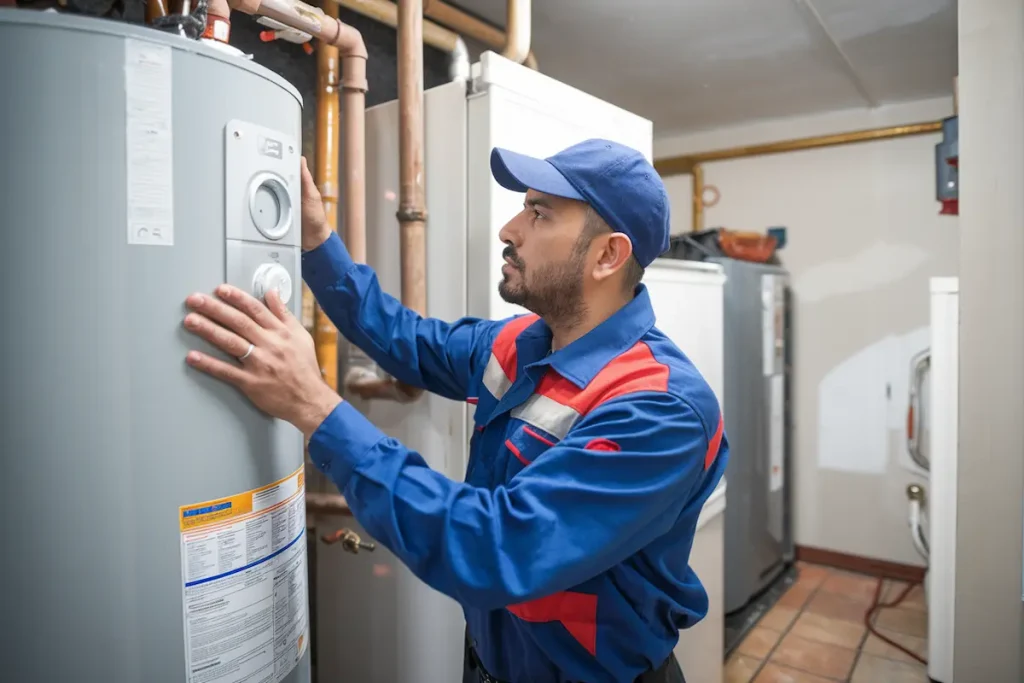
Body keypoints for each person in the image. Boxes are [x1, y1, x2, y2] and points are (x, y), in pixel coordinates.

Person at [182, 138, 729, 683]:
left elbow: (497, 548)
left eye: (539, 213)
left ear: (608, 255)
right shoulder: (524, 344)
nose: (509, 229)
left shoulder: (661, 409)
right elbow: (408, 340)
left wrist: (315, 406)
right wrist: (317, 243)